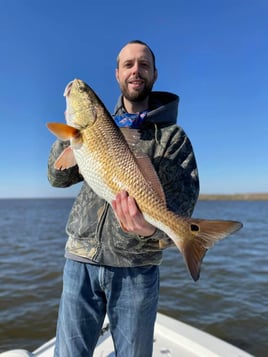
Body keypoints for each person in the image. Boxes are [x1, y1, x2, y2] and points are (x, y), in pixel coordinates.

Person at [48, 40, 199, 357]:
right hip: (81, 260)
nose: (136, 70)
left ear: (154, 74)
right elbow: (57, 177)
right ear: (117, 73)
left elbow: (183, 202)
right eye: (128, 64)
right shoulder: (101, 125)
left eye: (143, 64)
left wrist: (151, 229)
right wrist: (69, 137)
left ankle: (192, 242)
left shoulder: (172, 137)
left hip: (136, 269)